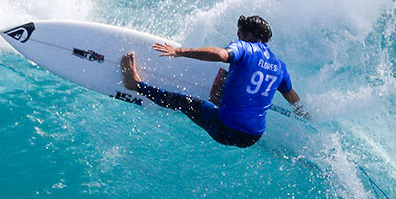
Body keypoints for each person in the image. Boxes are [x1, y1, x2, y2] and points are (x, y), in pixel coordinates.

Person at [120, 15, 305, 148]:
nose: (238, 37)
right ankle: (220, 97)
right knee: (232, 77)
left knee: (182, 102)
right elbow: (291, 95)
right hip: (252, 137)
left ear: (250, 35)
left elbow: (220, 54)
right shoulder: (280, 67)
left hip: (225, 129)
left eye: (240, 33)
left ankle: (135, 85)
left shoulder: (245, 47)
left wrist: (179, 51)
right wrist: (303, 112)